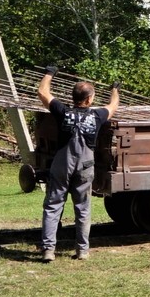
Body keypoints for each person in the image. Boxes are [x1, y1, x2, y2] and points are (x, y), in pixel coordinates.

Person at [36, 71, 119, 262]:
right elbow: (113, 105)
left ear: (74, 98)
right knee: (82, 207)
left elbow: (42, 92)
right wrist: (114, 89)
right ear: (89, 99)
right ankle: (82, 251)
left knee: (53, 205)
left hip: (62, 164)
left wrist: (49, 73)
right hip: (85, 164)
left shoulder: (62, 112)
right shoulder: (97, 115)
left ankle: (48, 250)